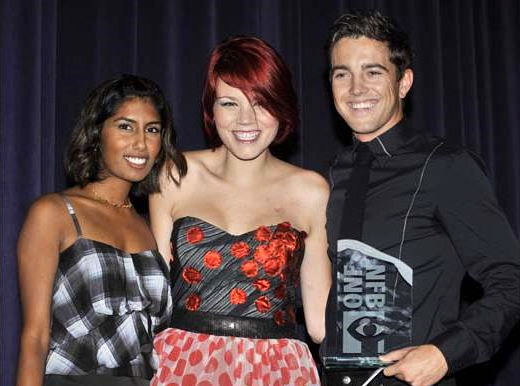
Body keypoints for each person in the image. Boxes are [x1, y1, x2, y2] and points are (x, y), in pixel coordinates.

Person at [322, 9, 520, 386]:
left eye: (373, 72)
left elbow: (511, 281)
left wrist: (446, 353)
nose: (356, 88)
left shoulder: (446, 166)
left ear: (404, 82)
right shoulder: (332, 175)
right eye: (341, 73)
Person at [149, 36, 331, 386]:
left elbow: (321, 324)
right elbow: (155, 298)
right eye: (230, 103)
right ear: (211, 109)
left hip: (278, 370)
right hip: (183, 365)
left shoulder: (311, 191)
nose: (246, 119)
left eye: (261, 103)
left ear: (283, 108)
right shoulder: (175, 174)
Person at [16, 74, 187, 386]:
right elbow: (35, 338)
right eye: (125, 126)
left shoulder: (149, 227)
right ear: (96, 133)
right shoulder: (54, 213)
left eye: (152, 130)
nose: (141, 142)